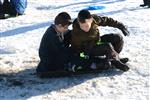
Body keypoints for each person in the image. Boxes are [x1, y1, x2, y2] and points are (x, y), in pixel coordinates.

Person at [36, 12, 111, 78]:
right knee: (71, 51)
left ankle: (83, 59)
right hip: (50, 62)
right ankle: (89, 64)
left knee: (72, 36)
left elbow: (70, 33)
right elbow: (65, 53)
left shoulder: (57, 29)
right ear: (59, 25)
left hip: (56, 54)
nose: (66, 29)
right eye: (65, 27)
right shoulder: (53, 36)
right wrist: (84, 62)